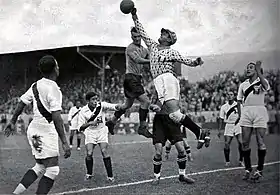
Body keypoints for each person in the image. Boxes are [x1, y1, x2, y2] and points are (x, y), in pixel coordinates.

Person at [130, 8, 210, 149]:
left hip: (168, 79)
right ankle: (200, 132)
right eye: (162, 32)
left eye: (165, 33)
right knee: (174, 116)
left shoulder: (172, 52)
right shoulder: (153, 46)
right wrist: (134, 16)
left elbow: (186, 60)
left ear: (170, 40)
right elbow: (142, 32)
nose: (162, 34)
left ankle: (200, 132)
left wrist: (196, 62)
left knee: (174, 113)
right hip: (159, 81)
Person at [4, 55, 71, 194]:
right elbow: (56, 117)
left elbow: (22, 101)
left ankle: (15, 193)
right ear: (54, 69)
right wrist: (65, 142)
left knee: (40, 166)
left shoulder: (35, 85)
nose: (58, 68)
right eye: (57, 66)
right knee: (53, 170)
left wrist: (12, 121)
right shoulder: (54, 89)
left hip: (33, 130)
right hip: (45, 130)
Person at [106, 27, 152, 138]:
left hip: (136, 79)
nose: (136, 39)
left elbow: (148, 61)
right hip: (131, 78)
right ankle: (142, 127)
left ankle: (111, 122)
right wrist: (151, 61)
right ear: (131, 37)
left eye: (138, 36)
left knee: (127, 105)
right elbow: (138, 60)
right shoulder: (130, 48)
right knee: (145, 102)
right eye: (134, 37)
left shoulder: (144, 50)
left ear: (141, 36)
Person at [237, 61, 270, 181]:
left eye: (251, 68)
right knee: (245, 143)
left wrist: (259, 71)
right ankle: (248, 169)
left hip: (259, 111)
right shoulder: (243, 85)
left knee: (260, 141)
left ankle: (260, 170)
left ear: (256, 70)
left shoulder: (262, 81)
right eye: (247, 68)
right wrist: (241, 115)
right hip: (246, 112)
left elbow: (266, 87)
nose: (248, 69)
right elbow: (239, 101)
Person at [78, 91, 122, 182]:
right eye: (93, 99)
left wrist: (120, 106)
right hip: (90, 132)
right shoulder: (83, 111)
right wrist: (90, 123)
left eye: (96, 99)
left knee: (104, 151)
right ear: (88, 101)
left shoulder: (101, 106)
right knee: (89, 153)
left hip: (102, 131)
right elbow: (80, 127)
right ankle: (89, 174)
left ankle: (110, 176)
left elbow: (113, 106)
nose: (95, 101)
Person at [150, 103, 195, 184]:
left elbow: (180, 105)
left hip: (172, 121)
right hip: (159, 122)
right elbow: (150, 104)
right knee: (158, 152)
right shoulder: (158, 91)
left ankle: (182, 175)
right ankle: (156, 177)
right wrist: (153, 107)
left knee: (181, 150)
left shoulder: (175, 91)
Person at [218, 90, 243, 167]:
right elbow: (221, 119)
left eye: (231, 94)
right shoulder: (224, 107)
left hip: (237, 125)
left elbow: (242, 116)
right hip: (228, 125)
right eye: (228, 94)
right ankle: (227, 161)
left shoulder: (239, 105)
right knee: (227, 144)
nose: (229, 96)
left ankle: (241, 160)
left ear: (234, 96)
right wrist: (219, 130)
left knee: (241, 142)